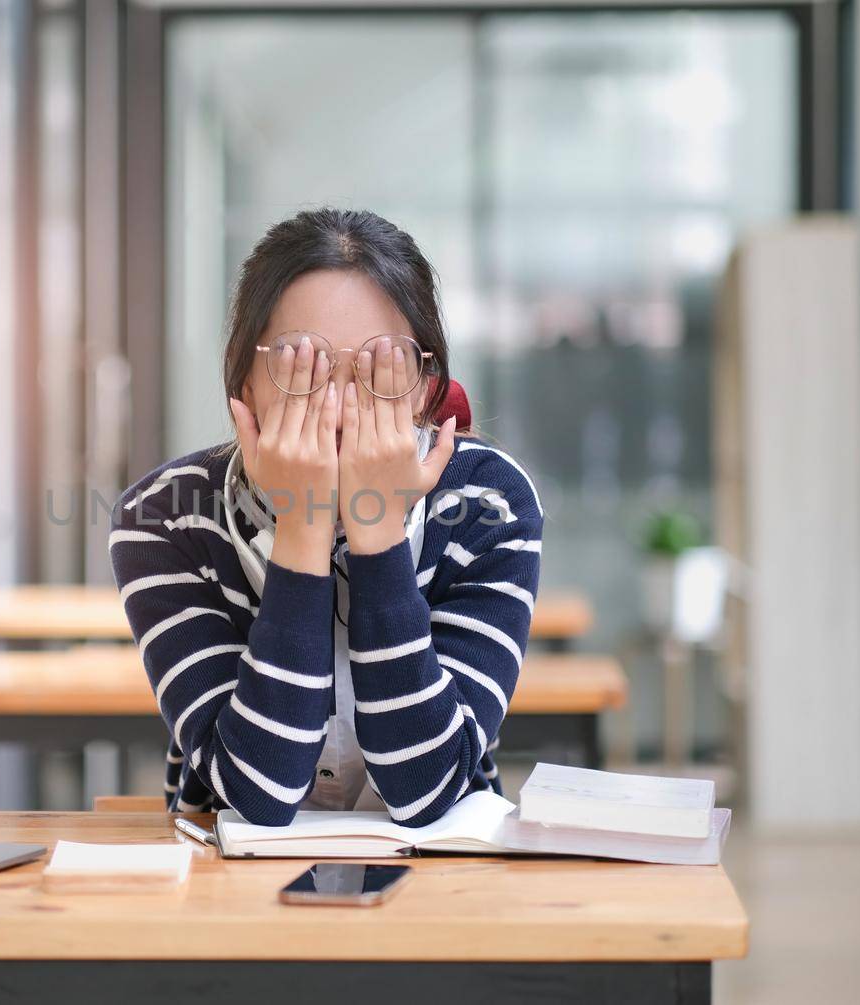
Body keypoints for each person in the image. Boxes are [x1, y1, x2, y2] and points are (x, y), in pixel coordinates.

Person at [109, 207, 543, 827]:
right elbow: (257, 794)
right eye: (301, 368)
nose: (337, 407)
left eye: (378, 371)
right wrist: (305, 526)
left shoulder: (491, 504)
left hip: (442, 884)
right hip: (227, 889)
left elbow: (427, 790)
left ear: (424, 386)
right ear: (245, 382)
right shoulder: (162, 518)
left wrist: (378, 531)